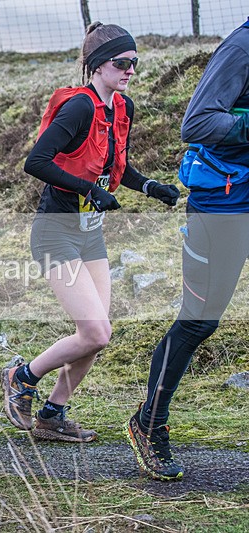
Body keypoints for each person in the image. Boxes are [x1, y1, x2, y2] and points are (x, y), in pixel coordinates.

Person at [1, 22, 180, 442]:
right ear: (98, 65)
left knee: (97, 336)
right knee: (95, 330)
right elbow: (37, 162)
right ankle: (21, 376)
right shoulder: (79, 108)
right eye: (122, 62)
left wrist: (151, 187)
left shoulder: (122, 107)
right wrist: (87, 191)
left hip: (90, 233)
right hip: (55, 232)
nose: (130, 69)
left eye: (134, 62)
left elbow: (115, 167)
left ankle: (52, 413)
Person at [126, 18, 249, 481]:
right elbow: (196, 122)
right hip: (223, 203)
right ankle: (149, 422)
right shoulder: (242, 48)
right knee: (200, 320)